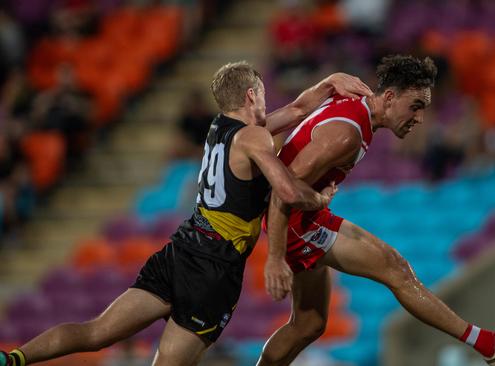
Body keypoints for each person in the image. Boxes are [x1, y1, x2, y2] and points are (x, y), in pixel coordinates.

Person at [0, 62, 373, 366]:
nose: (266, 99)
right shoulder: (255, 137)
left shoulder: (219, 128)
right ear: (251, 94)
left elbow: (296, 109)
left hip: (182, 248)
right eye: (261, 92)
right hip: (214, 269)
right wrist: (320, 199)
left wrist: (329, 83)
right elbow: (288, 191)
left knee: (95, 332)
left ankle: (15, 358)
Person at [258, 55, 495, 366]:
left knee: (308, 324)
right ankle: (490, 346)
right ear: (390, 98)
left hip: (305, 215)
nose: (419, 118)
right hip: (294, 223)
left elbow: (301, 114)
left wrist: (329, 79)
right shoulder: (347, 133)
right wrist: (274, 257)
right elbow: (282, 192)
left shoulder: (354, 102)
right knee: (396, 269)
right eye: (416, 106)